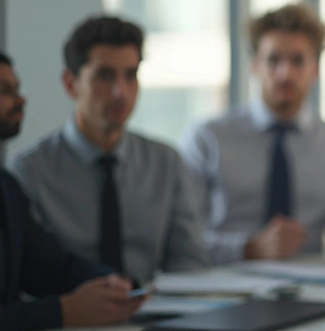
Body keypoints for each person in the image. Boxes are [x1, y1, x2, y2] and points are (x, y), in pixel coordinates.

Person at [10, 17, 207, 284]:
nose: (120, 92)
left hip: (154, 312)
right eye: (105, 76)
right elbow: (30, 274)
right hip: (72, 319)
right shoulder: (29, 172)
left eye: (131, 75)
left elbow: (189, 262)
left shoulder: (165, 163)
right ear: (70, 83)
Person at [181, 3, 325, 264]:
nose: (285, 73)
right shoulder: (207, 140)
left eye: (298, 61)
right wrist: (248, 248)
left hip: (311, 286)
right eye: (273, 60)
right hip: (224, 282)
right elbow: (182, 239)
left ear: (316, 69)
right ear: (255, 65)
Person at [0, 50, 146, 330]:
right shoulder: (26, 169)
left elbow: (52, 267)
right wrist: (63, 311)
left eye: (17, 89)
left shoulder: (6, 187)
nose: (21, 100)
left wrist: (112, 283)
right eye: (5, 90)